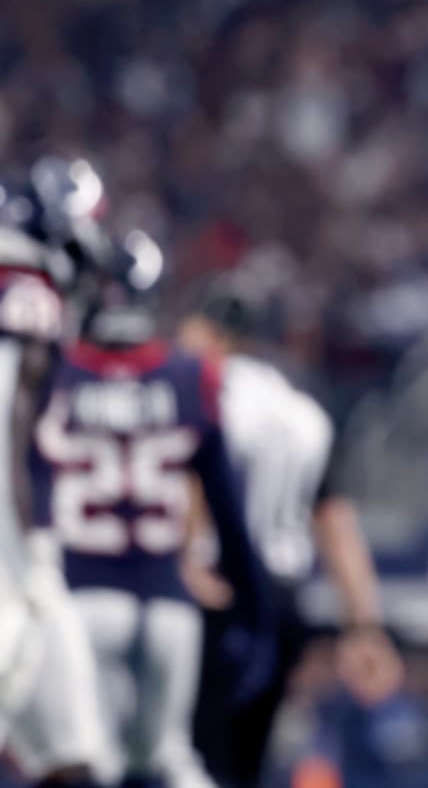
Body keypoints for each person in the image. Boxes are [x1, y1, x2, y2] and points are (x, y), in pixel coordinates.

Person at [35, 229, 273, 788]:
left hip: (80, 599)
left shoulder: (52, 372)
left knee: (88, 761)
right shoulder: (191, 376)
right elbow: (229, 514)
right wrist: (256, 612)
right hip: (169, 603)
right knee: (170, 759)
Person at [178, 278, 384, 788]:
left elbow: (192, 483)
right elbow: (336, 525)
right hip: (281, 600)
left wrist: (183, 560)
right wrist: (363, 626)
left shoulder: (200, 390)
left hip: (214, 589)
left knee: (188, 757)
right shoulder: (303, 412)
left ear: (210, 330)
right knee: (249, 765)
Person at [0, 161, 110, 786]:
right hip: (13, 563)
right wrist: (23, 555)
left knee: (71, 759)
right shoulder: (26, 294)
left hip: (28, 566)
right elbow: (4, 423)